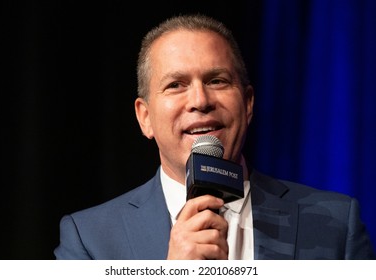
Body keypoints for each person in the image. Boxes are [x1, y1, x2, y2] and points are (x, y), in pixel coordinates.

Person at [54, 14, 375, 260]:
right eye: (176, 84)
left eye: (218, 80)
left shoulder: (335, 224)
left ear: (248, 103)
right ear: (145, 117)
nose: (200, 100)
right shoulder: (89, 239)